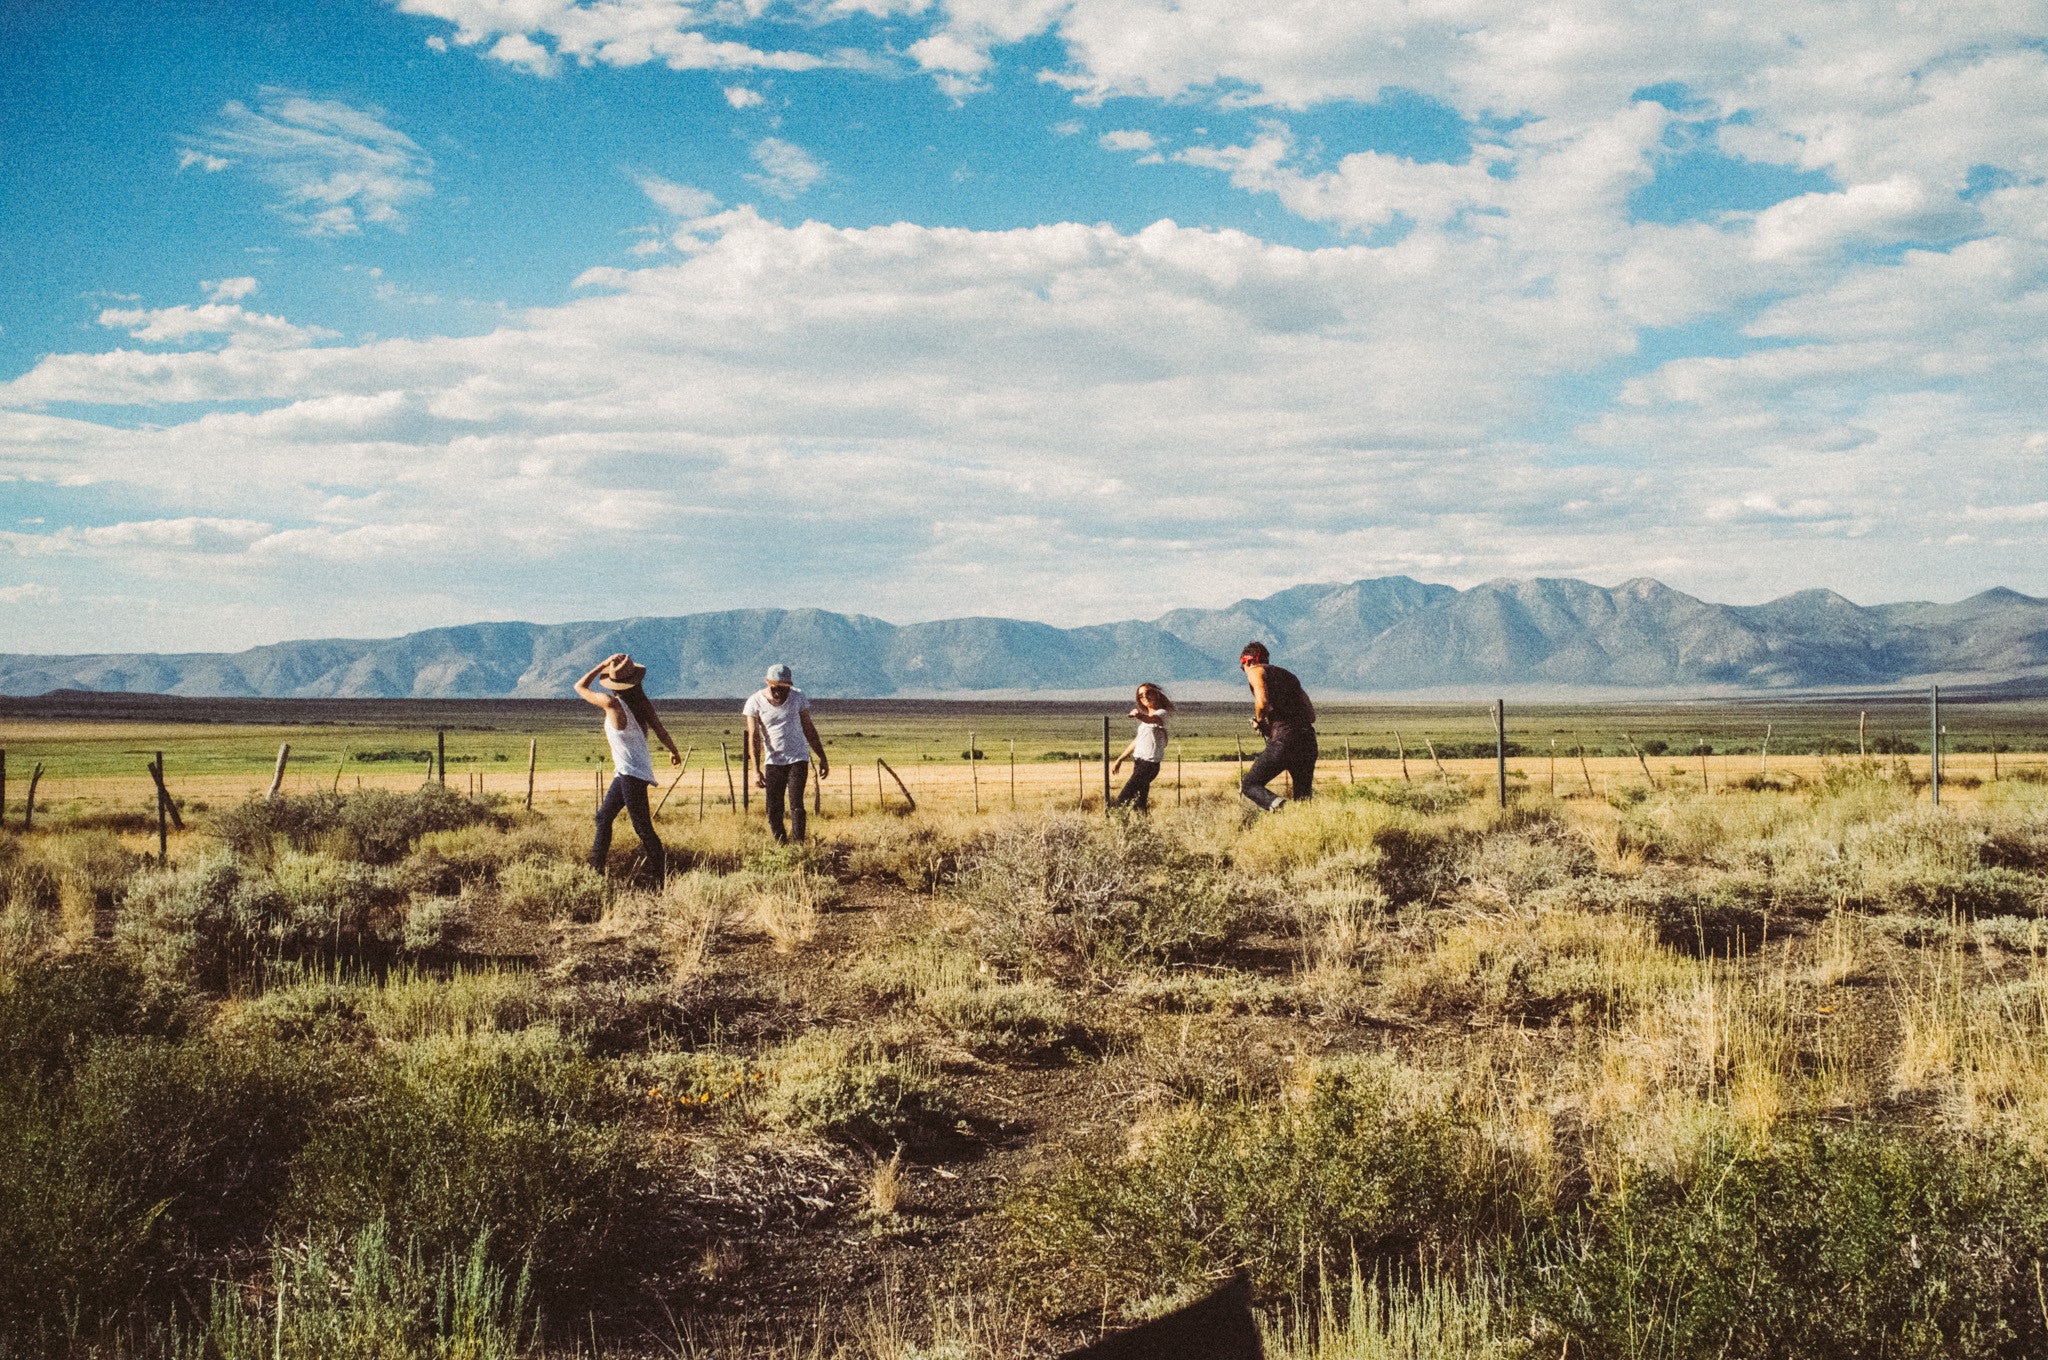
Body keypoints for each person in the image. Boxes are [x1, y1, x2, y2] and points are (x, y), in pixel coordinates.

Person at [575, 653, 682, 877]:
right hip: (628, 771)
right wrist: (673, 751)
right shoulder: (641, 704)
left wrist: (602, 665)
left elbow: (580, 687)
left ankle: (661, 876)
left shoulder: (612, 704)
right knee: (603, 817)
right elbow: (660, 730)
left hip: (631, 774)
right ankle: (595, 870)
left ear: (614, 684)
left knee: (642, 827)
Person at [743, 664, 830, 843]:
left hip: (798, 758)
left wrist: (822, 757)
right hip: (773, 761)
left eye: (783, 689)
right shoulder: (755, 701)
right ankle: (781, 845)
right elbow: (753, 736)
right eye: (775, 688)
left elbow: (809, 728)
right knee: (773, 807)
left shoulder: (798, 698)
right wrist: (755, 770)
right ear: (768, 683)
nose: (778, 693)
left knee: (796, 805)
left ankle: (799, 845)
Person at [1238, 641, 1317, 811]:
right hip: (1308, 741)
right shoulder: (1290, 676)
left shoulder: (1255, 670)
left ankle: (1282, 808)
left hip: (1285, 740)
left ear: (1246, 661)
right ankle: (1303, 827)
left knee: (1250, 785)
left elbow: (1262, 702)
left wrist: (1259, 722)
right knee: (1303, 798)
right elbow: (1311, 715)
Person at [1110, 682, 1174, 810]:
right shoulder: (1145, 721)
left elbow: (1151, 719)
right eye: (1141, 695)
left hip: (1149, 765)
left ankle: (1119, 827)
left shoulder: (1162, 713)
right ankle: (1143, 828)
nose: (1145, 697)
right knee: (1139, 803)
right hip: (1139, 763)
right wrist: (1120, 759)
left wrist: (1138, 715)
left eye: (1148, 693)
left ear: (1156, 694)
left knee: (1122, 801)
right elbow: (1137, 741)